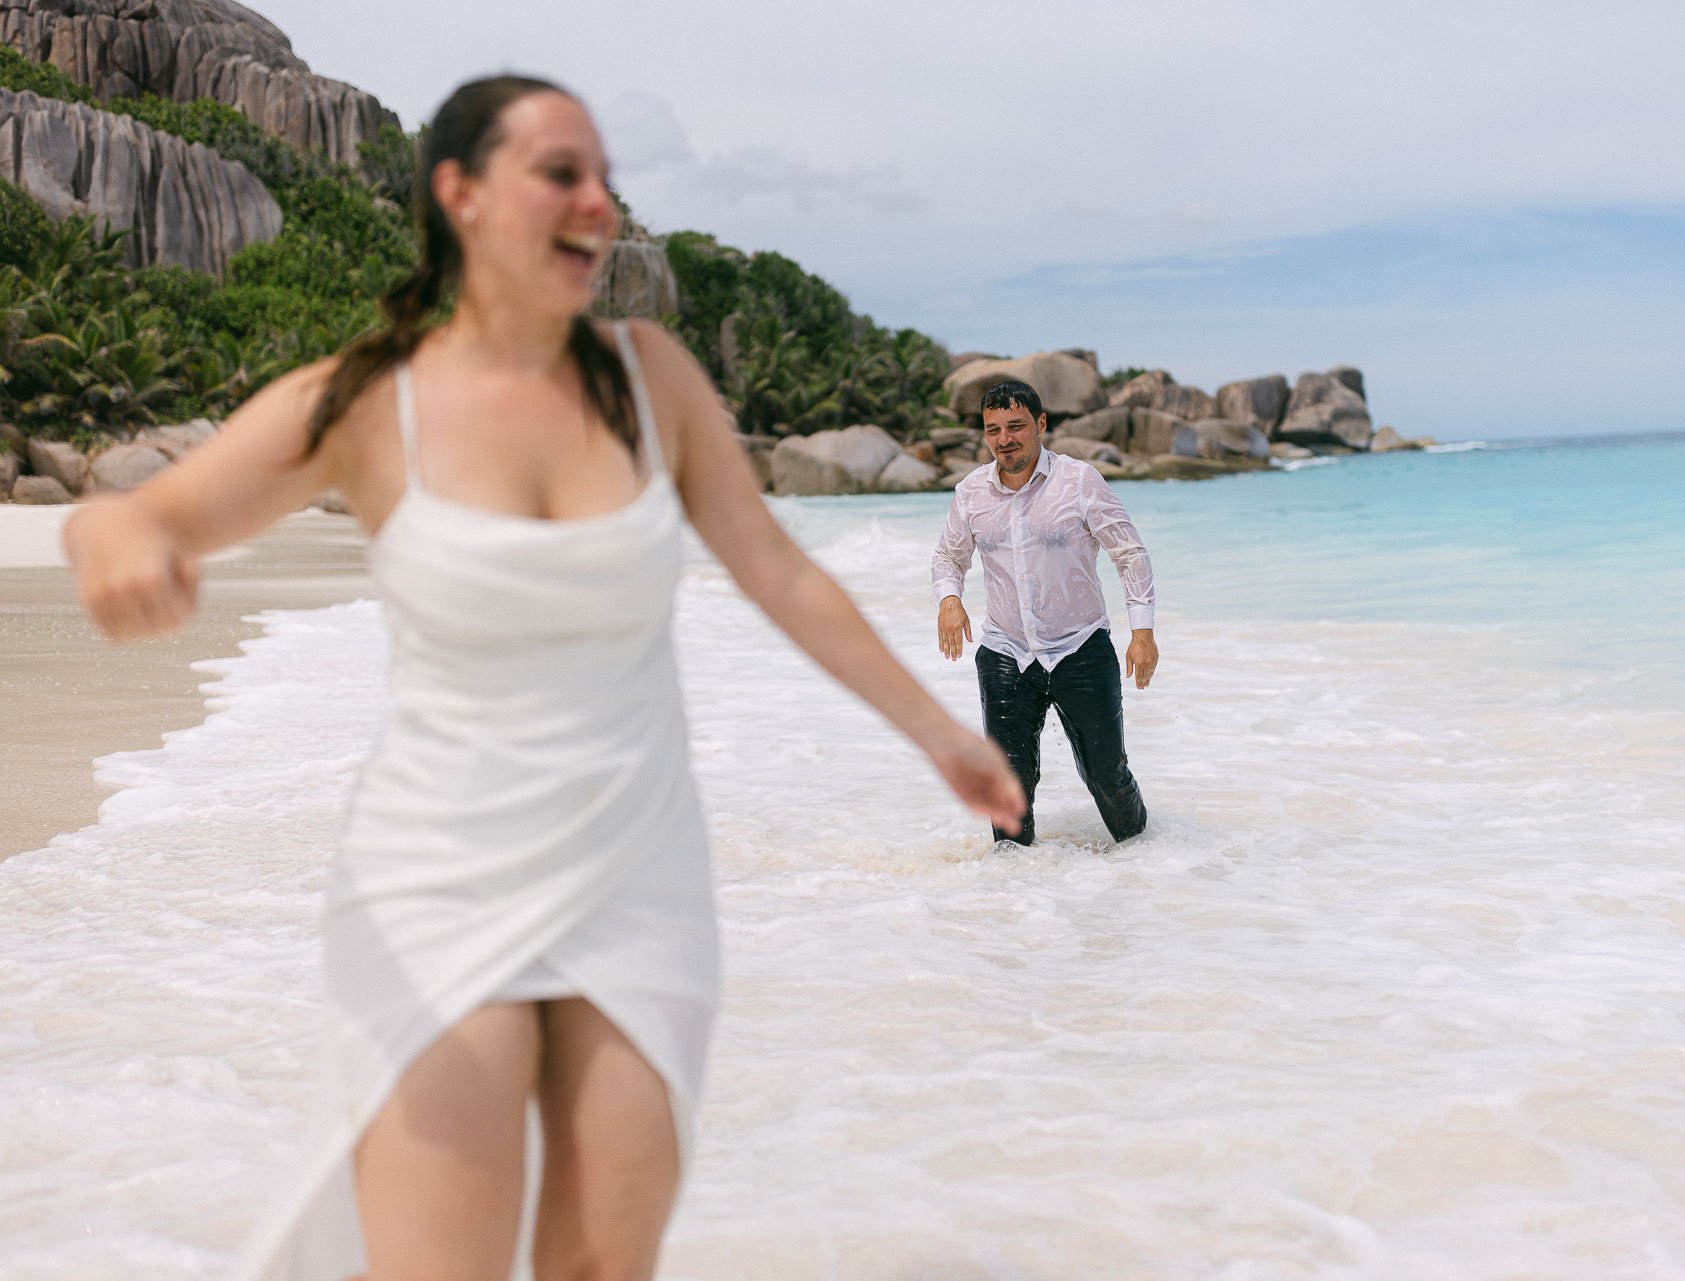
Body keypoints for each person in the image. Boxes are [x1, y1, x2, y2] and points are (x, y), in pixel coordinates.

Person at [62, 75, 1024, 1281]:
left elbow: (779, 573)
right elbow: (128, 520)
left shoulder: (647, 376)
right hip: (437, 876)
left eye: (604, 178)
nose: (597, 203)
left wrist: (941, 736)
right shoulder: (372, 401)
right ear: (459, 194)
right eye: (559, 173)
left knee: (603, 1265)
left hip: (638, 867)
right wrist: (127, 552)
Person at [931, 378, 1158, 847]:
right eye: (993, 430)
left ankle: (1149, 869)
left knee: (1106, 777)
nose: (1004, 439)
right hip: (1005, 652)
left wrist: (1142, 632)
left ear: (1041, 424)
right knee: (1007, 788)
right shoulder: (971, 492)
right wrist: (949, 600)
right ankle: (1014, 895)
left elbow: (1129, 553)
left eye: (1016, 426)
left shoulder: (1079, 481)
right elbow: (948, 557)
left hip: (1080, 647)